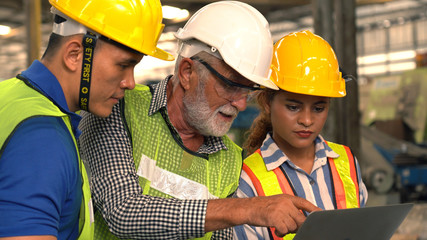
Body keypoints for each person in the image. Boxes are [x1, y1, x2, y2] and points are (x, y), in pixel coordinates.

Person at [78, 2, 320, 240]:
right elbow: (124, 212)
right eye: (231, 85)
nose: (241, 104)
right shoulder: (118, 109)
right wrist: (248, 209)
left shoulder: (228, 159)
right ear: (187, 72)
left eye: (247, 91)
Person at [0, 0, 173, 239]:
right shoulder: (43, 138)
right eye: (123, 65)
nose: (130, 83)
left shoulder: (10, 95)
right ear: (74, 54)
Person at [233, 30, 369, 240]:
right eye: (293, 107)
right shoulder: (247, 179)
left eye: (318, 108)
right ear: (268, 102)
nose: (306, 120)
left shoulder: (347, 161)